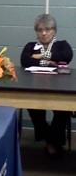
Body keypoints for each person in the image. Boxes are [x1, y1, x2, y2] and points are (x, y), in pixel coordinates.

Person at [21, 13, 73, 158]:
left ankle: (51, 142)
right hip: (35, 86)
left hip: (59, 86)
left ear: (54, 30)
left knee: (63, 110)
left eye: (48, 29)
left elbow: (66, 57)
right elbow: (25, 60)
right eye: (40, 30)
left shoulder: (62, 44)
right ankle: (53, 140)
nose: (43, 33)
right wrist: (51, 61)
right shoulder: (31, 46)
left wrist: (39, 57)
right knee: (32, 105)